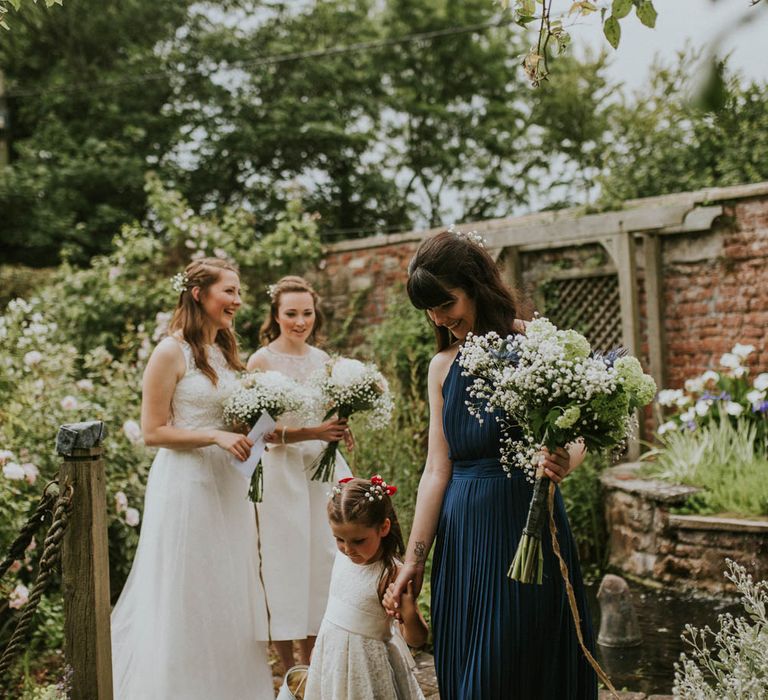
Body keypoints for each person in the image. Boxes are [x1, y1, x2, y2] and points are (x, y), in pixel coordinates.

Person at [386, 230, 598, 699]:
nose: (440, 318)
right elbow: (435, 470)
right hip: (462, 537)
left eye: (447, 304)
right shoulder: (441, 366)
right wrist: (415, 562)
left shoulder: (538, 344)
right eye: (431, 310)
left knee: (512, 666)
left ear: (477, 287)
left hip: (525, 524)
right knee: (470, 671)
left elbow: (578, 432)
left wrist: (567, 459)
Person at [110, 257, 274, 700]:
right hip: (186, 486)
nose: (238, 301)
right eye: (230, 292)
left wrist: (253, 431)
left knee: (228, 592)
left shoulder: (227, 352)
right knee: (188, 593)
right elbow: (152, 431)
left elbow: (231, 423)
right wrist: (214, 435)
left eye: (239, 292)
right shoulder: (170, 351)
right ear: (198, 293)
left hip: (229, 484)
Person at [246, 275, 352, 674]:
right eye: (291, 313)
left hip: (321, 471)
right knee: (281, 560)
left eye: (306, 313)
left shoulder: (323, 360)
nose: (300, 321)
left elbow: (326, 412)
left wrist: (340, 427)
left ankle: (313, 661)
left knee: (321, 559)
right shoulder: (261, 360)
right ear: (275, 314)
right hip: (281, 472)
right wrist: (312, 432)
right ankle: (287, 665)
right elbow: (258, 433)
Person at [304, 476, 428, 700]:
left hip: (367, 671)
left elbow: (417, 639)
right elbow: (335, 610)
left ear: (383, 527)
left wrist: (408, 613)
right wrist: (322, 647)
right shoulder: (342, 559)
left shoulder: (393, 573)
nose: (348, 549)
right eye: (339, 539)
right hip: (333, 663)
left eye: (358, 541)